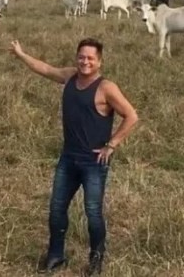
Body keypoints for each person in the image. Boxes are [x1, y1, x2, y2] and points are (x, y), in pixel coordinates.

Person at [9, 37, 138, 275]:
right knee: (57, 209)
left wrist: (111, 145)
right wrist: (21, 54)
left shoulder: (106, 88)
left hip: (94, 163)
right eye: (81, 57)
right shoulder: (70, 76)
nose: (85, 62)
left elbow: (131, 116)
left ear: (99, 61)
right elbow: (46, 69)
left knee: (93, 212)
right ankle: (55, 256)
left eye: (90, 58)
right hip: (68, 159)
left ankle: (96, 260)